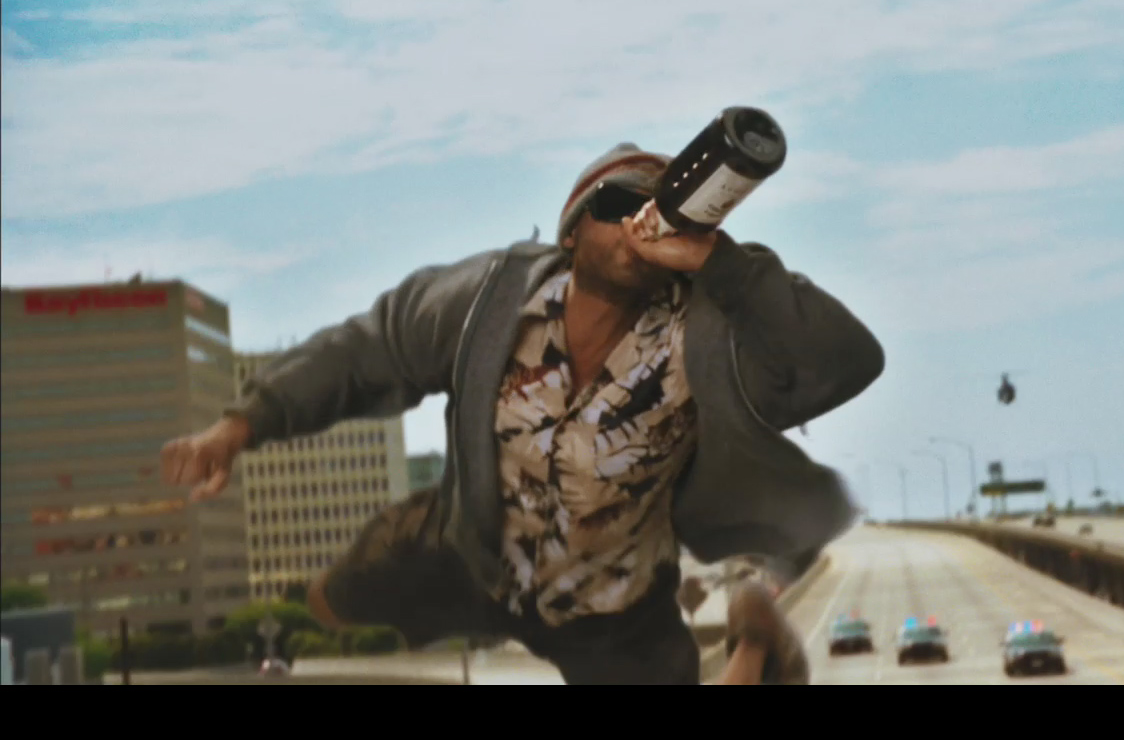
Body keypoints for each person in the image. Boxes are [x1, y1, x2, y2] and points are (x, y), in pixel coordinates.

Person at [161, 141, 885, 684]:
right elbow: (369, 348)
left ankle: (757, 640)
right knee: (340, 595)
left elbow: (846, 360)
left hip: (613, 605)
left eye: (658, 210)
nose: (637, 223)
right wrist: (238, 426)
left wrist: (719, 261)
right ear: (572, 232)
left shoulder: (707, 329)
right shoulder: (492, 298)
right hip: (468, 556)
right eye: (616, 206)